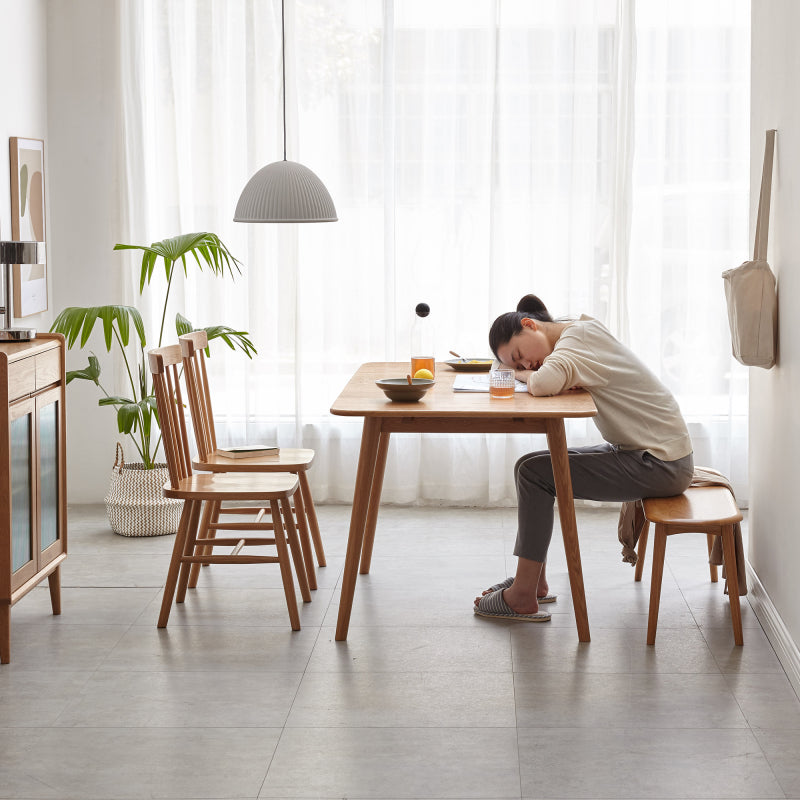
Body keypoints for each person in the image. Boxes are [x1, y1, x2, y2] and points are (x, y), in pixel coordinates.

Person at [473, 294, 694, 622]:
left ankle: (522, 595)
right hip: (649, 453)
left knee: (536, 474)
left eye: (519, 357)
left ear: (529, 324)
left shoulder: (577, 339)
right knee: (529, 467)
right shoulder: (576, 337)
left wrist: (523, 376)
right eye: (517, 365)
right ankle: (533, 583)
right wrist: (535, 374)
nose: (525, 366)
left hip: (659, 463)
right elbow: (548, 378)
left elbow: (543, 383)